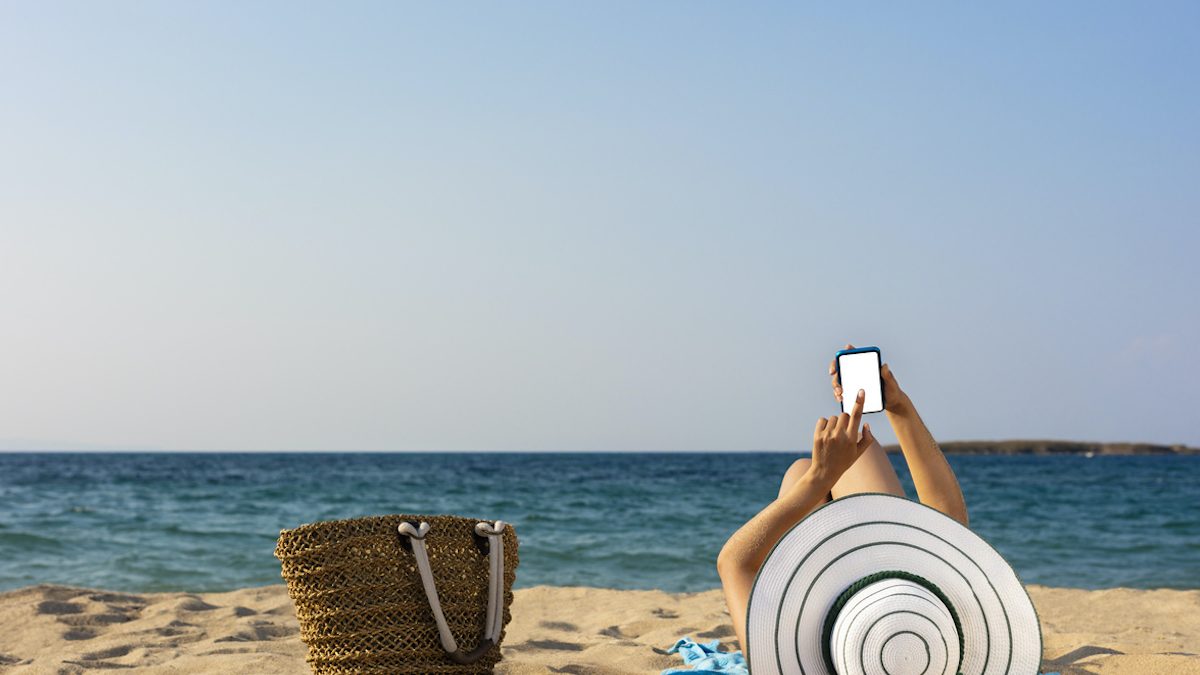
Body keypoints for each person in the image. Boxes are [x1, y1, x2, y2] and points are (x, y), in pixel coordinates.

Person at [716, 345, 969, 653]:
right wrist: (899, 406)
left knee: (803, 471)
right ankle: (817, 486)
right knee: (840, 464)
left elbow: (733, 562)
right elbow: (948, 522)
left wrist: (817, 478)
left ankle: (815, 484)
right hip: (893, 618)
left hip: (890, 608)